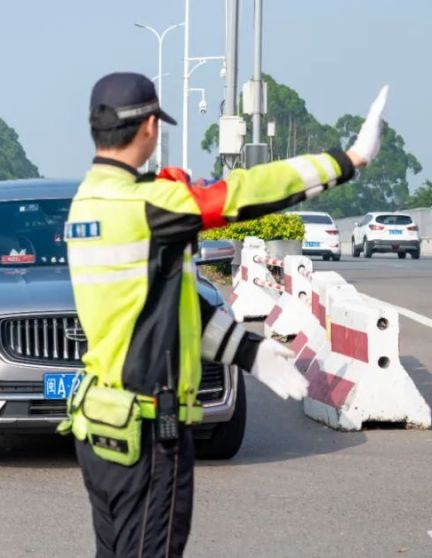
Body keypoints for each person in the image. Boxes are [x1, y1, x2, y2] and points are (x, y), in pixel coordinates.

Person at [62, 72, 388, 557]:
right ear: (149, 126)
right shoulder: (148, 205)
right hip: (148, 432)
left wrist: (249, 352)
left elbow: (163, 309)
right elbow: (242, 192)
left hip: (100, 425)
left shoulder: (84, 205)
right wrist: (347, 160)